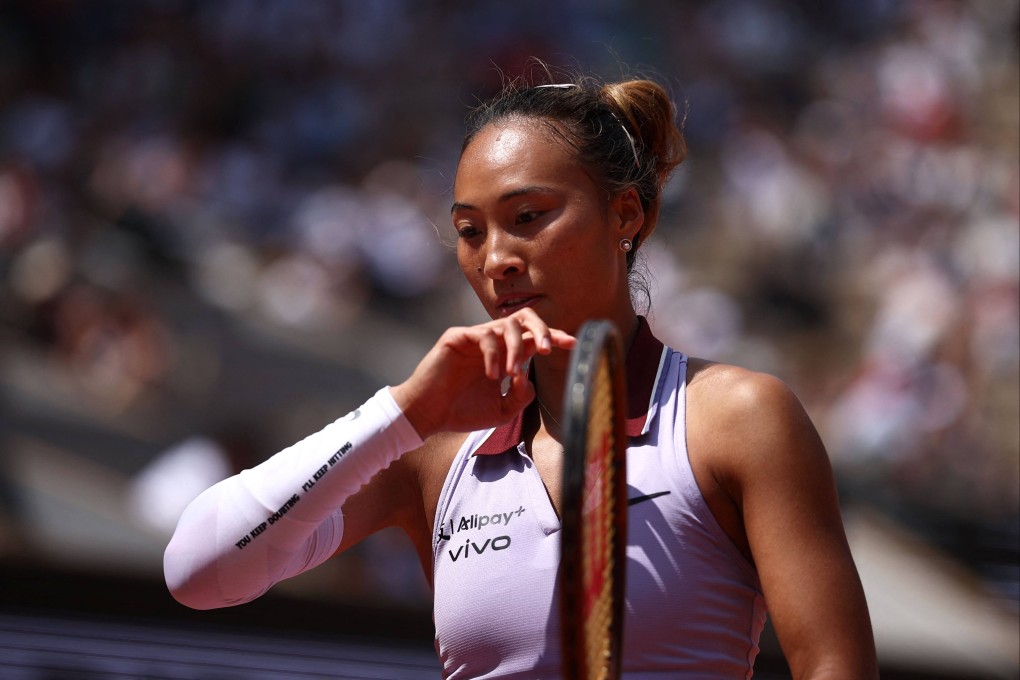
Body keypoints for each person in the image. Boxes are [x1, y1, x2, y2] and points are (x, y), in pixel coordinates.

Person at [164, 67, 879, 679]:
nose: (496, 258)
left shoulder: (737, 417)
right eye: (470, 232)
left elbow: (835, 667)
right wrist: (403, 413)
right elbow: (198, 574)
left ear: (625, 214)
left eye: (529, 216)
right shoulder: (433, 448)